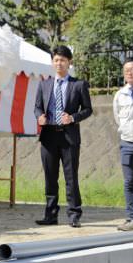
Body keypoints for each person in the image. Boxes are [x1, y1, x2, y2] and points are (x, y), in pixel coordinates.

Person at [33, 45, 92, 228]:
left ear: (69, 62)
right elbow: (37, 107)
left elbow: (88, 109)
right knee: (50, 176)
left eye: (63, 60)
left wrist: (73, 117)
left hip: (69, 136)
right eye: (56, 60)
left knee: (70, 177)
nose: (59, 63)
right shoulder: (44, 84)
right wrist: (39, 117)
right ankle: (50, 214)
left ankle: (74, 214)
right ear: (52, 62)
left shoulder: (78, 85)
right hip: (49, 135)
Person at [114, 58, 133, 231]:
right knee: (129, 182)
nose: (129, 73)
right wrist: (127, 131)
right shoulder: (120, 94)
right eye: (126, 70)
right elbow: (117, 117)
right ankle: (132, 219)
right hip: (127, 142)